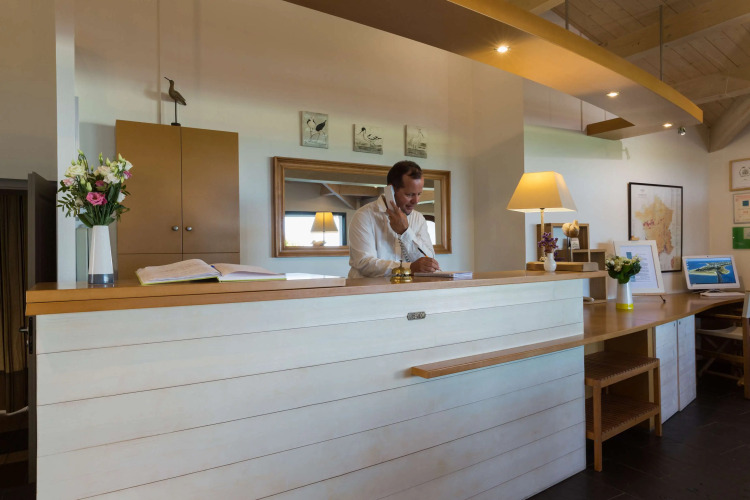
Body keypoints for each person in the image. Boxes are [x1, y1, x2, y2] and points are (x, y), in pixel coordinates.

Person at [348, 160, 440, 278]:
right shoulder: (364, 216)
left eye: (419, 194)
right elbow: (364, 263)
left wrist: (405, 232)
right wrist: (409, 268)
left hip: (407, 289)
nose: (416, 201)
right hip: (369, 289)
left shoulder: (418, 218)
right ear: (390, 190)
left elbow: (429, 262)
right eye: (409, 194)